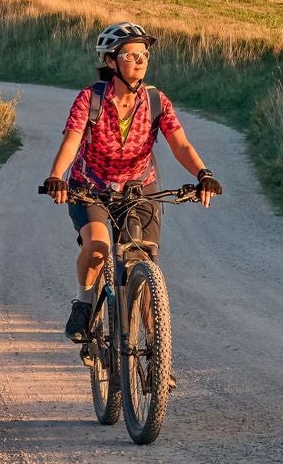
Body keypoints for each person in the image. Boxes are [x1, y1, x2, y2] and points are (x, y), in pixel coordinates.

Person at [43, 21, 222, 342]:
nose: (140, 62)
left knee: (143, 261)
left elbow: (180, 144)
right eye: (130, 55)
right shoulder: (90, 99)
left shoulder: (156, 101)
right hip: (91, 189)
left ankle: (156, 353)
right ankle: (84, 304)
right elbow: (72, 140)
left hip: (140, 189)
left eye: (144, 55)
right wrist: (57, 177)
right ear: (111, 61)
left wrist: (203, 174)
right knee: (98, 246)